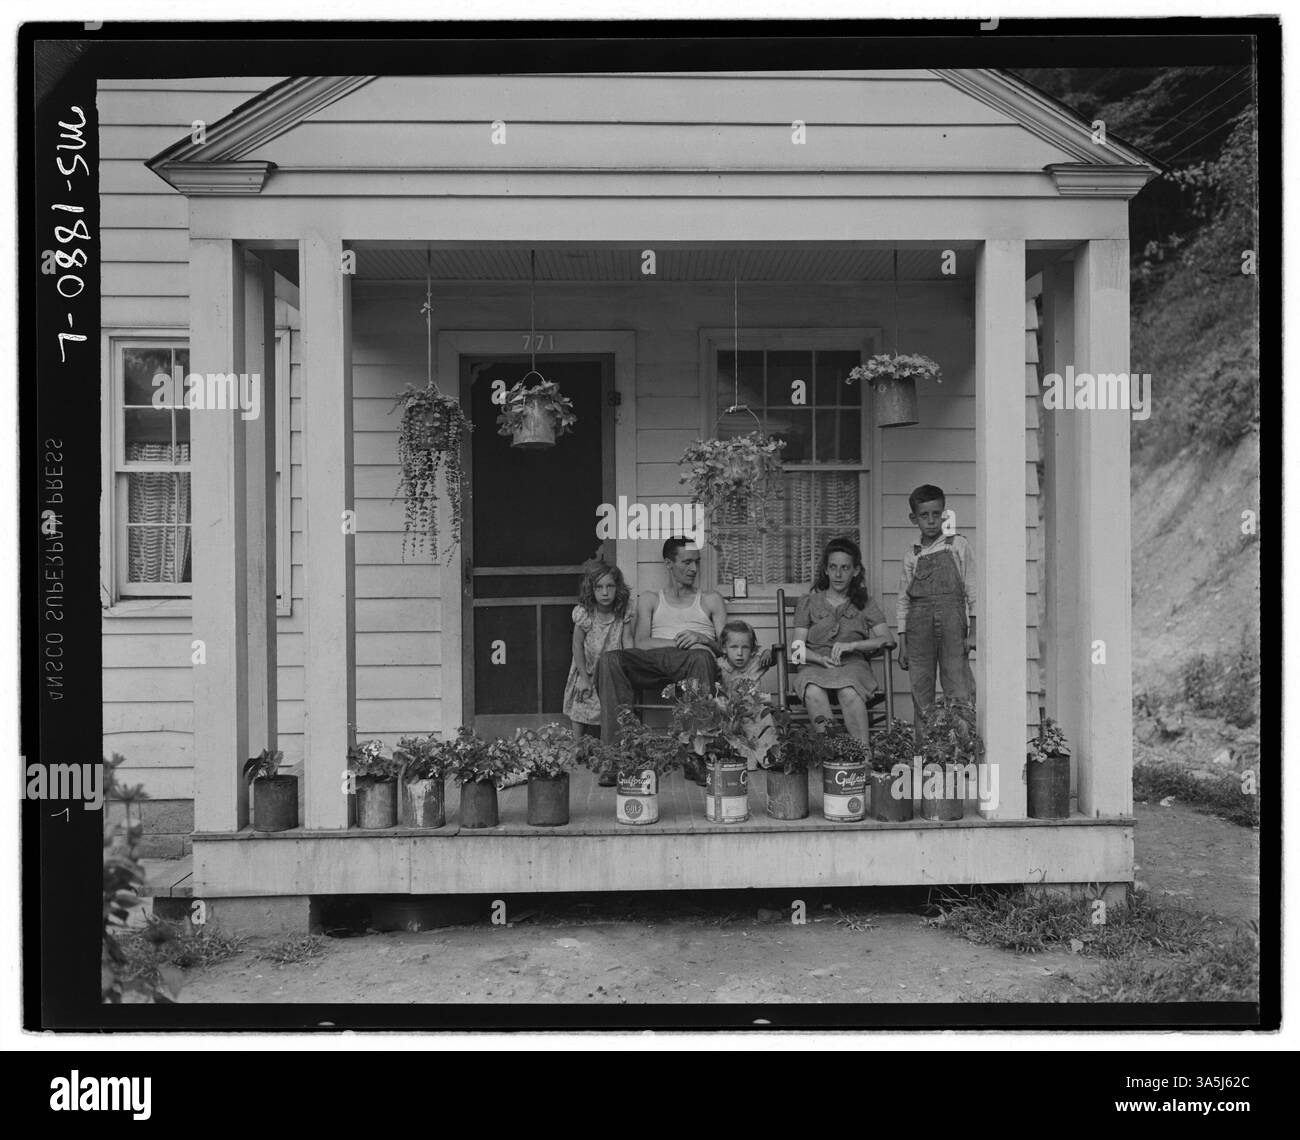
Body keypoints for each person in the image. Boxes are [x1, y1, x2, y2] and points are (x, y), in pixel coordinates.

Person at [596, 537, 726, 756]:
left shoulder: (711, 599)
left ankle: (698, 756)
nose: (693, 568)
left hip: (694, 663)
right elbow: (641, 643)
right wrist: (680, 642)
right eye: (686, 562)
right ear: (668, 564)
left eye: (697, 562)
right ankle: (616, 755)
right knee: (610, 660)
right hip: (654, 662)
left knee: (701, 658)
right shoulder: (651, 599)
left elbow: (726, 647)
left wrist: (702, 639)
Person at [792, 537, 896, 742]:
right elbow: (796, 650)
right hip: (816, 665)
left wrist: (853, 645)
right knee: (812, 690)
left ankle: (862, 757)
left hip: (853, 664)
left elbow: (887, 639)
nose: (838, 574)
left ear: (856, 571)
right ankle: (835, 752)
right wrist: (819, 659)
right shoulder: (809, 602)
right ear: (826, 570)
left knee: (849, 690)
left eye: (845, 568)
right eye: (833, 567)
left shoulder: (864, 603)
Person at [895, 484, 976, 736]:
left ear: (944, 514)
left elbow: (973, 590)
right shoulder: (912, 553)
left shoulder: (957, 545)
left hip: (952, 623)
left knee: (957, 687)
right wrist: (902, 642)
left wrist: (973, 632)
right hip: (918, 627)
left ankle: (962, 751)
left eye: (936, 514)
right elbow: (903, 600)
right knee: (921, 689)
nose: (931, 521)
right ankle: (925, 754)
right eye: (924, 515)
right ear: (914, 518)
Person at [563, 558, 635, 743]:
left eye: (610, 586)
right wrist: (584, 677)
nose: (605, 592)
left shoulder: (623, 611)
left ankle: (609, 745)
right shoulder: (585, 613)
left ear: (617, 588)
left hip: (612, 668)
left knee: (610, 706)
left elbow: (627, 640)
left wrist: (631, 666)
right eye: (599, 587)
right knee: (582, 701)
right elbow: (577, 645)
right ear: (591, 589)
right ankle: (578, 745)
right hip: (587, 666)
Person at [717, 620, 776, 770]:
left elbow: (773, 660)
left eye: (745, 647)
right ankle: (746, 759)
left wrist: (768, 653)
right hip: (734, 715)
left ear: (753, 649)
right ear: (724, 648)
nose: (740, 653)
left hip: (755, 711)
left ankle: (769, 756)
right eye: (734, 647)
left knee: (766, 720)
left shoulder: (755, 663)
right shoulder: (720, 665)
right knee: (732, 729)